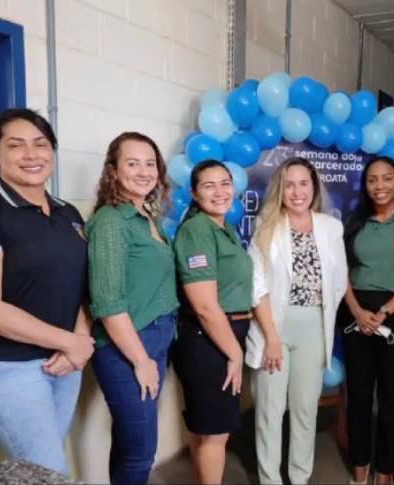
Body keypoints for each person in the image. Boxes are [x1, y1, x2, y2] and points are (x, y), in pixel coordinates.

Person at [0, 108, 94, 475]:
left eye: (40, 144)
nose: (31, 154)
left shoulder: (68, 213)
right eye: (16, 145)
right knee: (47, 472)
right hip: (7, 367)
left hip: (65, 363)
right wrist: (70, 342)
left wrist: (79, 340)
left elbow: (82, 285)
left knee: (38, 472)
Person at [246, 157, 348, 484]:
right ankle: (270, 480)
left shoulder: (331, 228)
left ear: (314, 187)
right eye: (289, 184)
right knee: (270, 411)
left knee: (305, 410)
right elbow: (257, 287)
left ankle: (300, 478)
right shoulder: (267, 227)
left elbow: (339, 281)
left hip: (314, 328)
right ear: (280, 189)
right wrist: (272, 338)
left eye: (303, 183)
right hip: (273, 327)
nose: (297, 191)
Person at [86, 132, 178, 484]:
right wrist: (141, 360)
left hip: (154, 338)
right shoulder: (111, 222)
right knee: (140, 452)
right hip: (128, 345)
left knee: (129, 446)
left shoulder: (145, 216)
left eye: (150, 163)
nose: (144, 171)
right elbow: (108, 303)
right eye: (133, 163)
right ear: (113, 170)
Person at [340, 156, 394, 485]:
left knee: (391, 395)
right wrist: (356, 310)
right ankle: (360, 464)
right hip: (356, 312)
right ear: (365, 185)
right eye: (372, 179)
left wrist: (385, 312)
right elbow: (341, 271)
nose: (380, 186)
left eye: (387, 178)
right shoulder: (355, 221)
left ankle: (386, 469)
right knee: (358, 394)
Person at [172, 160, 253, 484]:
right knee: (215, 433)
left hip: (220, 335)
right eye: (209, 186)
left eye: (225, 183)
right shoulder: (197, 230)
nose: (219, 192)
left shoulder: (222, 228)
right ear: (193, 193)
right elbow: (205, 306)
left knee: (205, 429)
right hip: (209, 339)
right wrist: (234, 353)